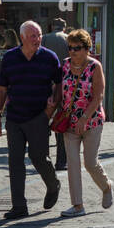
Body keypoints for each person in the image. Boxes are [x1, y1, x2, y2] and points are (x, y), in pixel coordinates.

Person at [0, 21, 62, 220]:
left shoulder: (50, 58)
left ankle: (53, 184)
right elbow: (2, 90)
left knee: (39, 157)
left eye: (39, 35)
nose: (37, 39)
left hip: (39, 116)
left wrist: (51, 109)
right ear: (22, 37)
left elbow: (59, 84)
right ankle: (19, 207)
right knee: (15, 162)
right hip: (14, 118)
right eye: (33, 36)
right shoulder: (10, 58)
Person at [56, 29, 113, 216]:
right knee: (72, 163)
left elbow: (98, 96)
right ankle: (78, 205)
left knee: (90, 163)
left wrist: (84, 117)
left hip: (92, 121)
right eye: (70, 48)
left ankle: (106, 186)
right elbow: (59, 91)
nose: (72, 52)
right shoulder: (64, 66)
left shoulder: (95, 67)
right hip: (70, 123)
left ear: (87, 48)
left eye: (77, 48)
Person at [42, 19, 71, 170]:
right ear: (64, 28)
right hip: (65, 85)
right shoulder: (68, 39)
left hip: (47, 84)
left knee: (44, 119)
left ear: (52, 26)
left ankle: (44, 157)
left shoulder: (45, 38)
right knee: (62, 120)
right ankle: (61, 161)